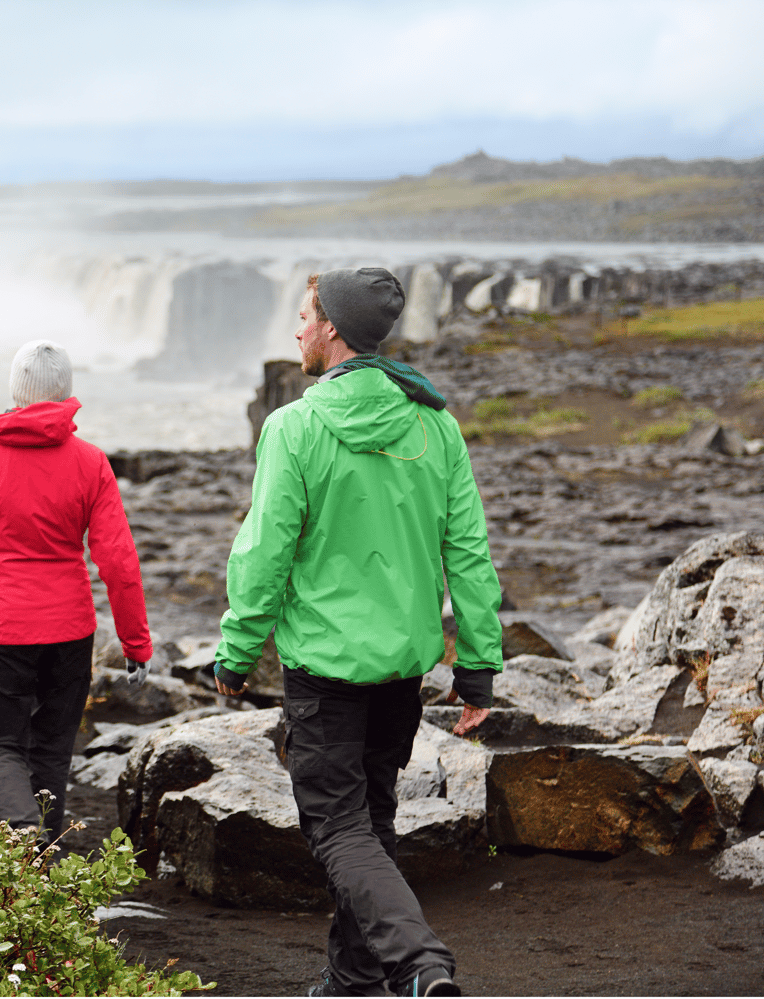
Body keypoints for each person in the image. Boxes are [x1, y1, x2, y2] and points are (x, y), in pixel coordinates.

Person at [212, 268, 502, 997]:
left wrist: (237, 654)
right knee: (369, 825)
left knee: (339, 830)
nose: (297, 330)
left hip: (327, 676)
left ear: (334, 329)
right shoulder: (434, 422)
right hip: (400, 674)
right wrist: (477, 668)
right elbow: (466, 551)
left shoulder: (296, 427)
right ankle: (350, 984)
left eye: (305, 316)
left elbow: (264, 551)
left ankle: (420, 964)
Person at [0, 339, 152, 845]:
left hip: (4, 628)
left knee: (2, 746)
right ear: (66, 393)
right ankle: (39, 857)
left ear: (15, 392)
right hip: (70, 629)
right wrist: (137, 644)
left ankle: (21, 831)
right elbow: (118, 562)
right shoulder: (90, 462)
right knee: (52, 749)